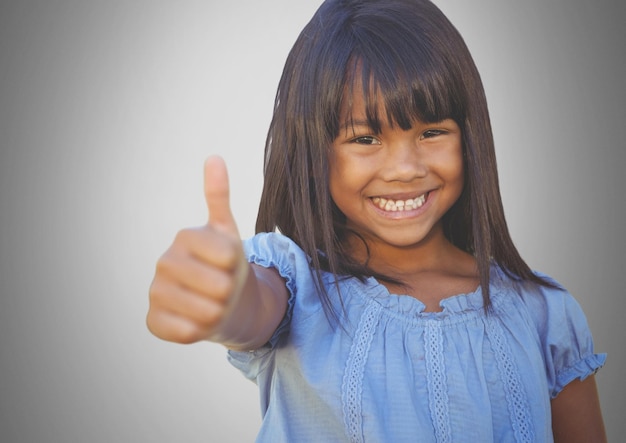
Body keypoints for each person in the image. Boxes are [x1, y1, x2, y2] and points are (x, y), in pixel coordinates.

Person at [147, 0, 607, 441]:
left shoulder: (544, 314)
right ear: (314, 154)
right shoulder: (299, 290)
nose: (405, 168)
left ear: (470, 137)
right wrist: (226, 301)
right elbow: (253, 306)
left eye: (432, 132)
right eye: (365, 138)